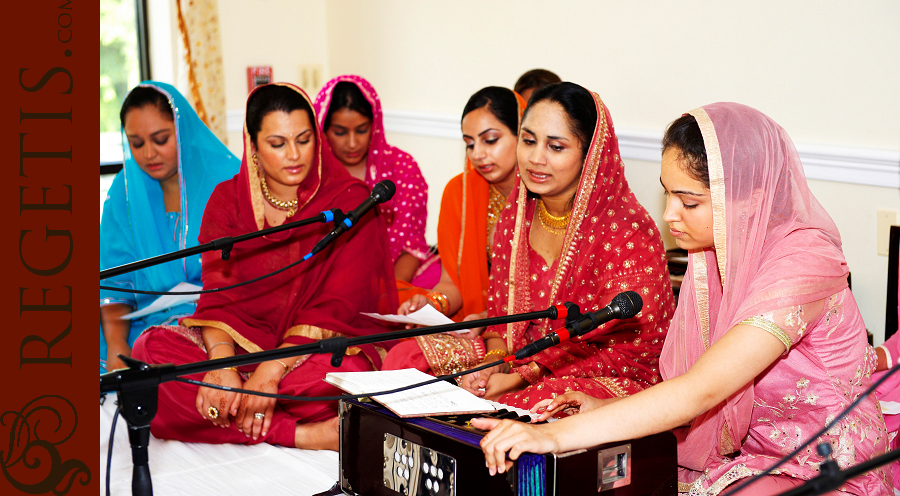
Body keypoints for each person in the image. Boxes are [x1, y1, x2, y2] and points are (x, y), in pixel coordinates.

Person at [476, 103, 894, 495]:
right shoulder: (711, 252)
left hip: (824, 460)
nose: (669, 215)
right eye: (668, 194)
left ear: (747, 199)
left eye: (688, 201)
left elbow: (701, 391)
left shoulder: (804, 259)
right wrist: (606, 406)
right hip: (748, 454)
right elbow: (689, 383)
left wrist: (550, 436)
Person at [131, 83, 398, 451]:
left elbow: (336, 307)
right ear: (253, 146)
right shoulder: (227, 202)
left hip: (307, 355)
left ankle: (240, 410)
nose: (294, 155)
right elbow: (217, 298)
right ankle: (301, 434)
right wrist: (222, 367)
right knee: (150, 354)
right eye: (277, 143)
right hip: (241, 347)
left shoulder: (351, 202)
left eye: (304, 140)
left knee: (349, 376)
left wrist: (270, 373)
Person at [460, 82, 675, 411]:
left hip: (603, 377)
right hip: (522, 364)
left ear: (589, 153)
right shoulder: (513, 221)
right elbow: (500, 324)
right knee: (429, 365)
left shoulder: (627, 232)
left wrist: (524, 376)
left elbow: (630, 348)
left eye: (556, 147)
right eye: (529, 141)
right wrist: (494, 362)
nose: (535, 158)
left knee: (536, 402)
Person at [381, 86, 526, 375]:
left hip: (529, 329)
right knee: (402, 359)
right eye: (470, 144)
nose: (478, 154)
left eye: (490, 140)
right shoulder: (459, 193)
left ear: (523, 135)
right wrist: (432, 303)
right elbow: (453, 285)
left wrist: (490, 319)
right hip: (472, 327)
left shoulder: (545, 194)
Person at [100, 81, 240, 373]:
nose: (149, 153)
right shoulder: (125, 193)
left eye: (160, 139)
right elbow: (115, 286)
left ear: (182, 130)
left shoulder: (228, 181)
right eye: (136, 143)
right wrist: (116, 346)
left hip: (218, 324)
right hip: (142, 327)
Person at [314, 75, 439, 290]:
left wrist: (388, 292)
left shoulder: (402, 167)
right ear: (323, 130)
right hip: (328, 282)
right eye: (340, 132)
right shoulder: (313, 174)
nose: (352, 143)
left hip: (394, 278)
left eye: (362, 130)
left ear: (376, 124)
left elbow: (412, 247)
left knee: (438, 279)